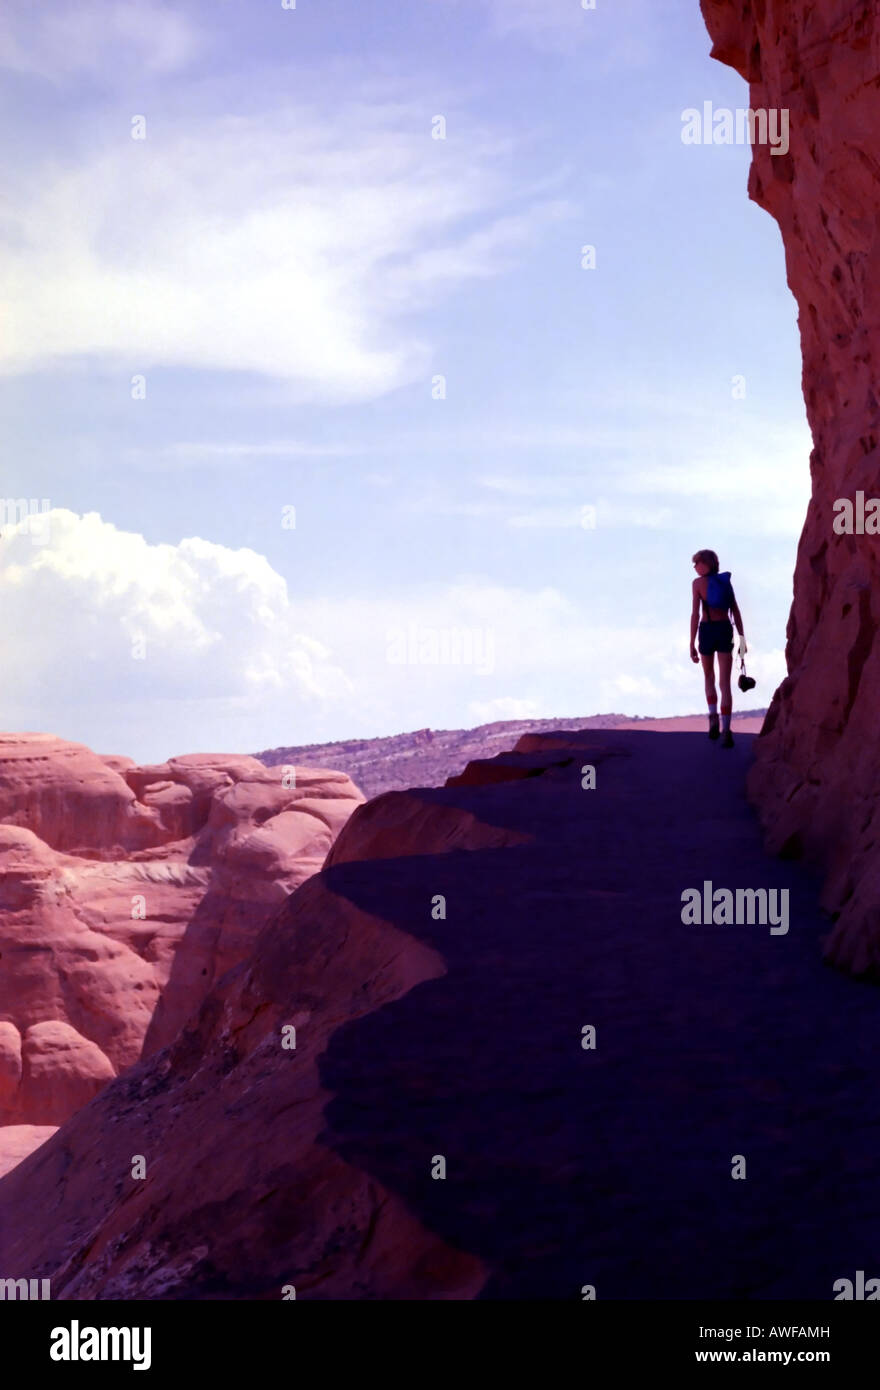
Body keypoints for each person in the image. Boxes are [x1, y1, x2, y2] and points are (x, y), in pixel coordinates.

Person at [689, 549, 746, 748]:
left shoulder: (697, 584)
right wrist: (742, 638)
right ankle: (727, 730)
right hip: (724, 630)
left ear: (707, 564)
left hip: (706, 630)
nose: (695, 567)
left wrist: (691, 642)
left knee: (709, 677)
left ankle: (713, 717)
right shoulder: (724, 582)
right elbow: (735, 611)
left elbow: (695, 615)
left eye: (697, 563)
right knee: (724, 683)